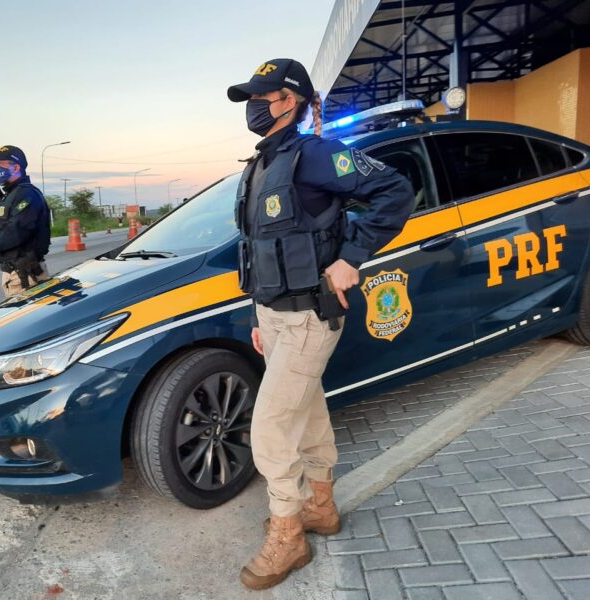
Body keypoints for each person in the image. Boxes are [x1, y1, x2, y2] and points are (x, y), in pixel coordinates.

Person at [228, 58, 415, 590]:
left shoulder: (315, 154)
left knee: (269, 427)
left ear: (291, 100)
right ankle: (321, 508)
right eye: (250, 98)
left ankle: (288, 535)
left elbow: (394, 191)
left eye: (262, 96)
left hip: (311, 316)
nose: (253, 107)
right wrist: (257, 316)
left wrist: (351, 256)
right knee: (306, 414)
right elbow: (258, 248)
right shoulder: (261, 163)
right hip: (275, 315)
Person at [0, 145, 51, 297]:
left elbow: (18, 230)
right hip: (18, 273)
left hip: (25, 275)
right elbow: (10, 224)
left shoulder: (26, 194)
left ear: (16, 167)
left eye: (0, 163)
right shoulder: (12, 194)